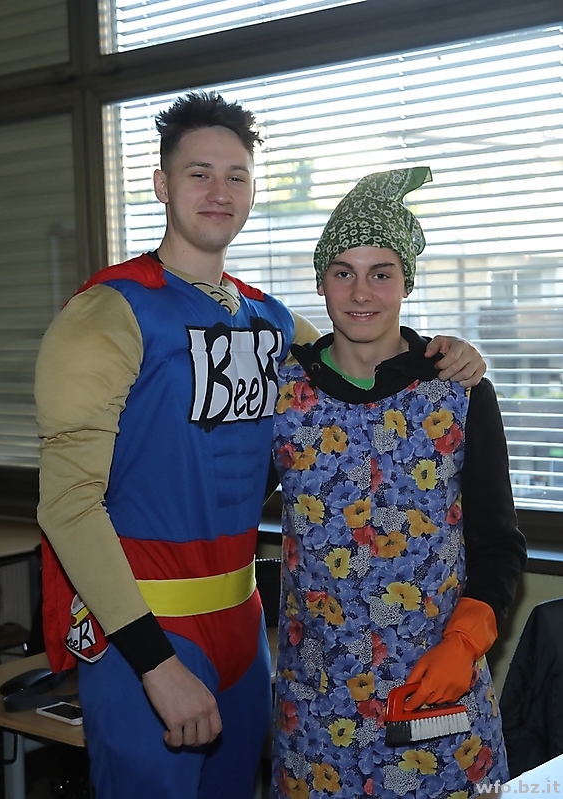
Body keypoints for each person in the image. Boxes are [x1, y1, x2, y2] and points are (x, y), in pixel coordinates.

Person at [35, 92, 487, 799]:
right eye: (199, 174)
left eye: (236, 176)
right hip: (144, 628)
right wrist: (153, 661)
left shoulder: (272, 322)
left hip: (246, 632)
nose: (219, 192)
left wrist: (450, 353)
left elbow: (364, 354)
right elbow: (66, 505)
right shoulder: (105, 314)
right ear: (161, 184)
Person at [270, 166, 527, 798]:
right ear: (321, 281)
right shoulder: (282, 397)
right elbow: (218, 509)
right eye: (343, 272)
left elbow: (498, 544)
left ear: (406, 282)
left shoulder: (459, 392)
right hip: (319, 715)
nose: (361, 292)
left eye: (381, 273)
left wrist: (464, 642)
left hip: (436, 704)